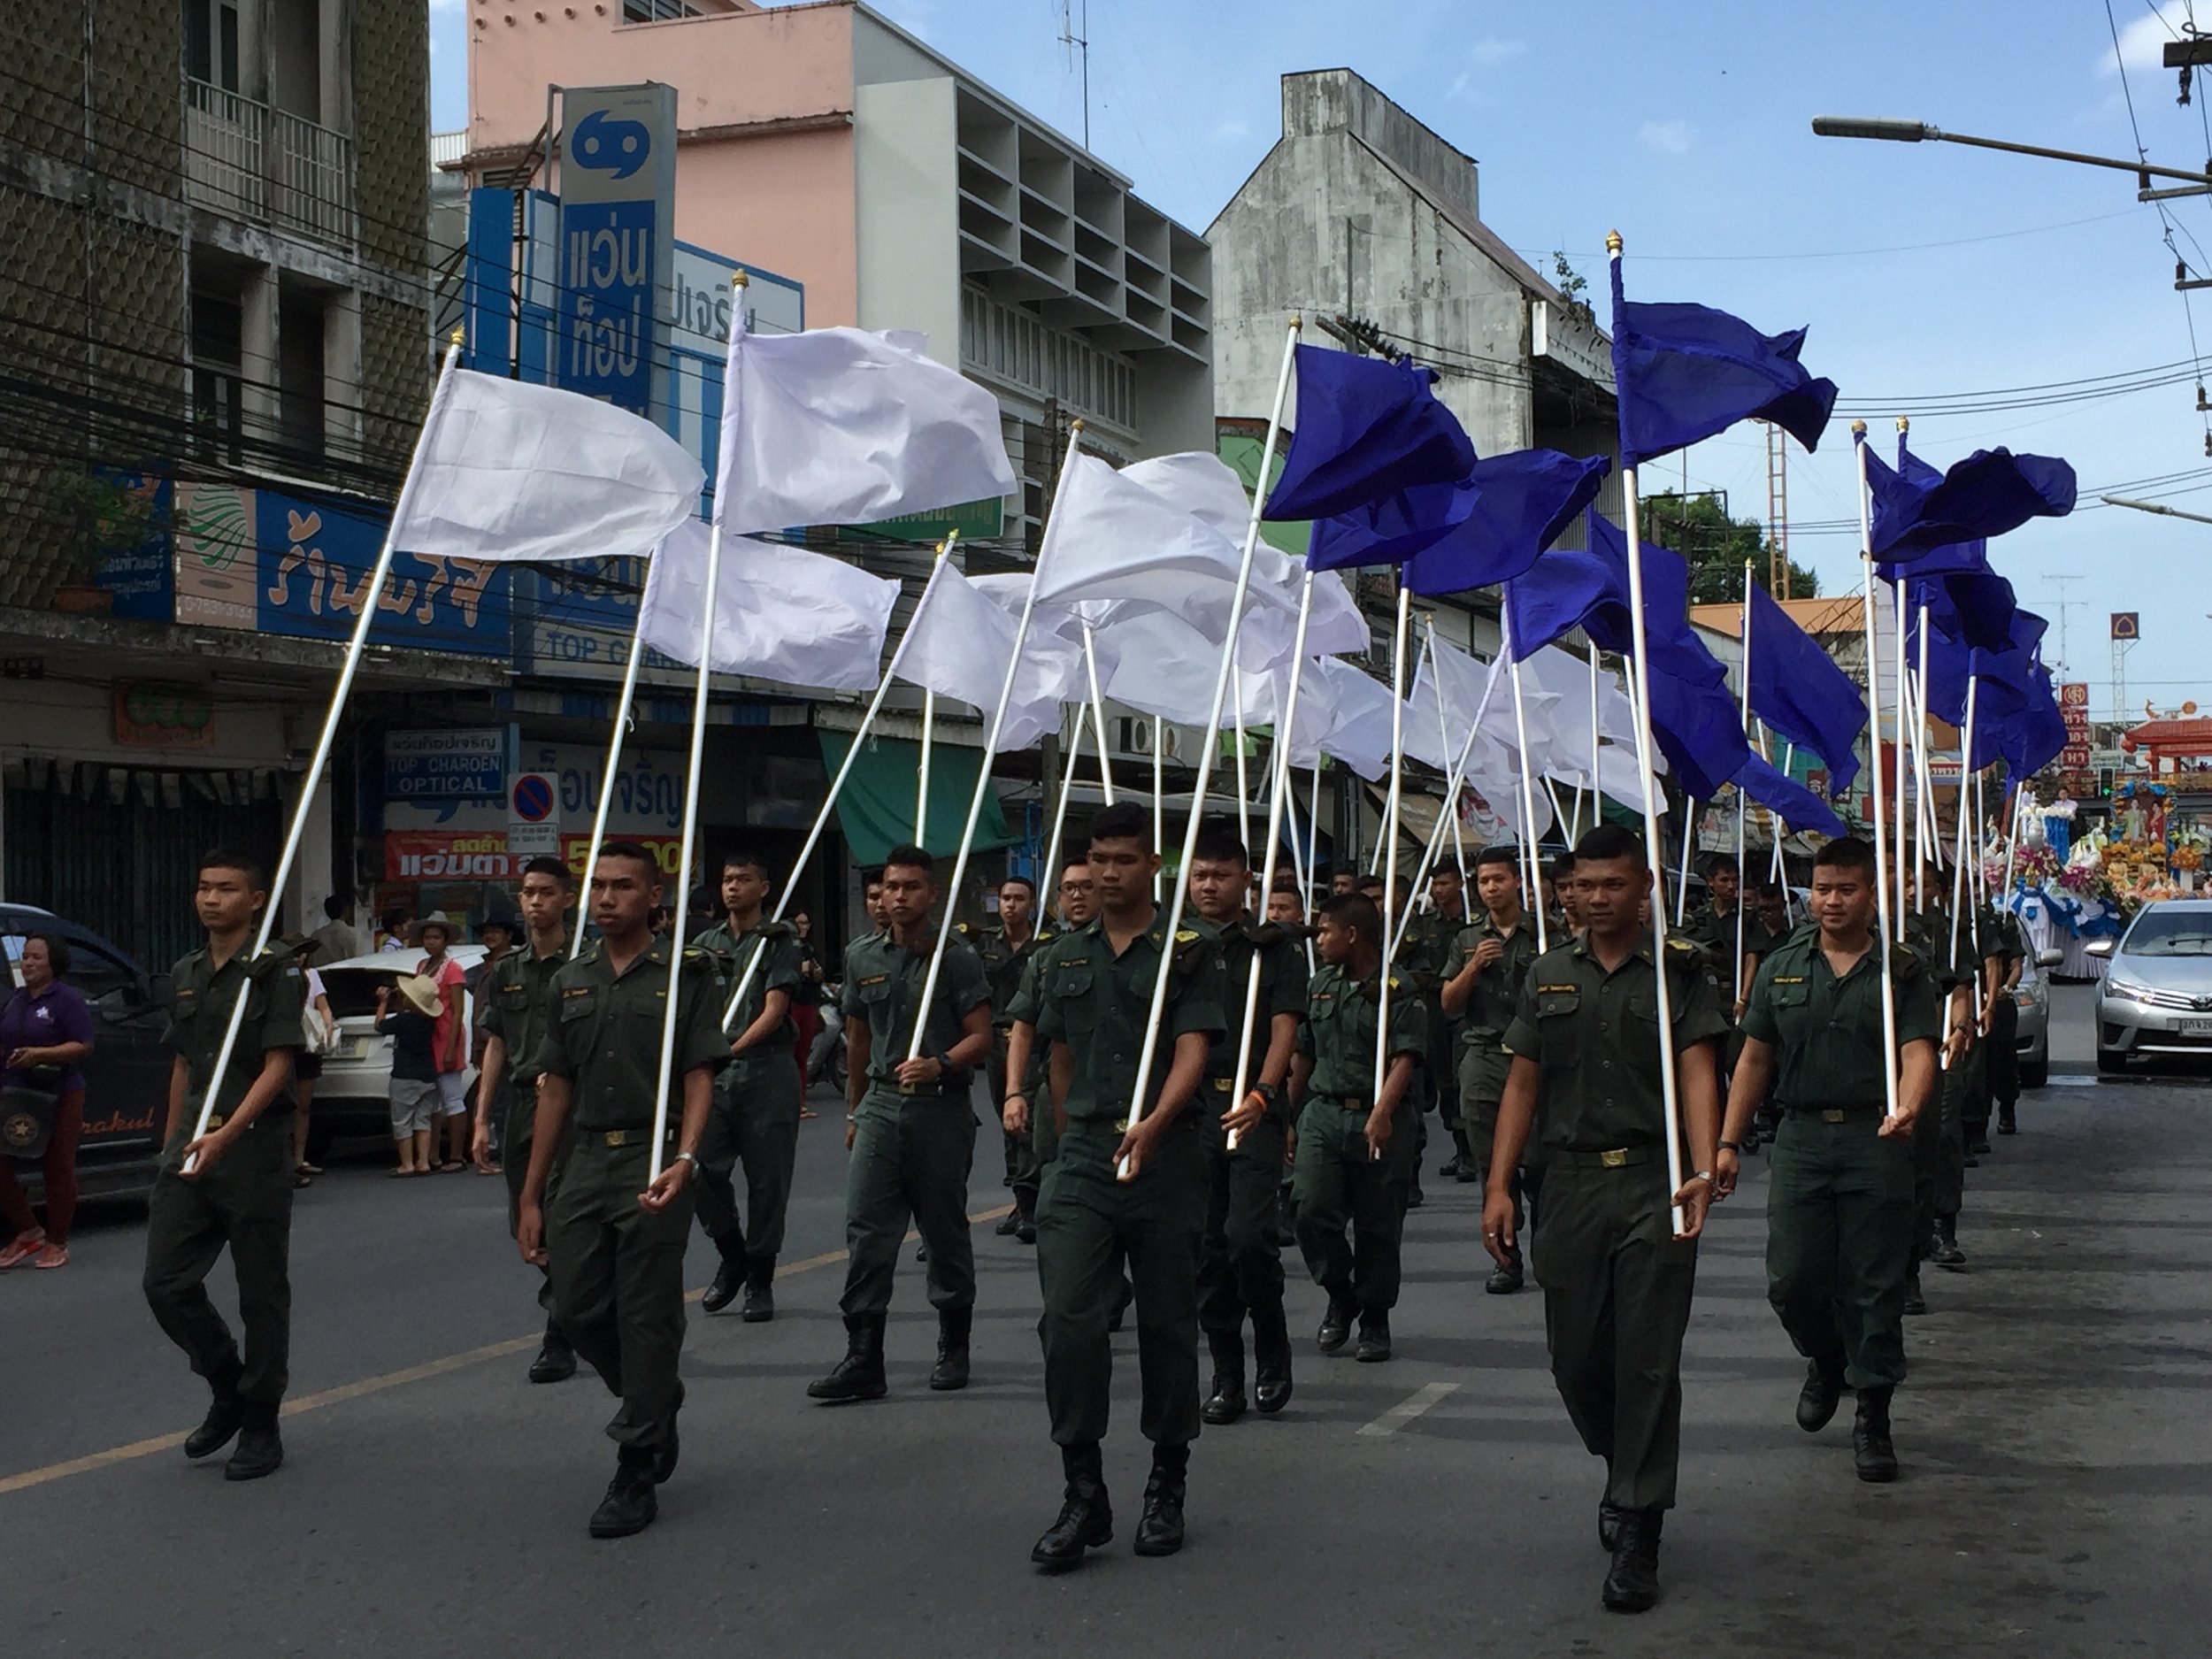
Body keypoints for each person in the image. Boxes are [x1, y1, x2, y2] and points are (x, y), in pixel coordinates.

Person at [1486, 824, 1727, 1613]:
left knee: (1648, 1358)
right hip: (1571, 1185)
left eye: (1613, 885)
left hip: (1654, 1183)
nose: (1597, 898)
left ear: (1645, 887)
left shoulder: (1677, 973)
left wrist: (1699, 1167)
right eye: (1584, 886)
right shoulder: (1548, 973)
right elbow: (1521, 1083)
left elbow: (1698, 1068)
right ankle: (1622, 1462)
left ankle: (1638, 1525)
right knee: (1576, 1356)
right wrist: (1497, 1188)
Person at [1025, 803, 1225, 1568]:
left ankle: (1165, 1484)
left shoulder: (1187, 950)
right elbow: (1060, 1056)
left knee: (1169, 1323)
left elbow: (1192, 1048)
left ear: (1152, 867)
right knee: (1069, 1319)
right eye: (1098, 859)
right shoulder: (1063, 955)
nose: (1108, 873)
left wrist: (1154, 1120)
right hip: (1084, 1157)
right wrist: (1074, 1133)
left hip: (1165, 1156)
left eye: (1123, 860)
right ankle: (1084, 1492)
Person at [518, 841, 726, 1539]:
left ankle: (635, 1463)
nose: (607, 898)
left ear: (653, 896)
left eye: (623, 886)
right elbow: (555, 1087)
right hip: (584, 1157)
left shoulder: (686, 975)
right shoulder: (568, 980)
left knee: (646, 1312)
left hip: (654, 1153)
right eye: (599, 886)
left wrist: (688, 1156)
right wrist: (532, 1191)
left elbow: (700, 1072)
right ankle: (654, 1395)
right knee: (573, 1306)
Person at [1718, 836, 1940, 1487]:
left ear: (1871, 894)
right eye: (1822, 889)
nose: (1831, 901)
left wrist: (1909, 1107)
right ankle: (1825, 1355)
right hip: (1803, 1137)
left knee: (1875, 1282)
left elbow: (1919, 1051)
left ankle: (1874, 1414)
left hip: (1878, 1136)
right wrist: (1727, 1145)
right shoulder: (1786, 964)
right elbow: (1754, 1058)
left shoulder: (1901, 970)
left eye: (1845, 889)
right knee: (1792, 1278)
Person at [142, 848, 306, 1480]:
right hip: (192, 1148)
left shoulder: (273, 972)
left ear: (255, 900)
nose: (212, 899)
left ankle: (261, 1420)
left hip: (252, 1151)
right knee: (165, 1281)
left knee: (261, 1292)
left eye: (227, 889)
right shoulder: (186, 970)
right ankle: (227, 1382)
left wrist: (229, 1132)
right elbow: (184, 1064)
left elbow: (279, 1063)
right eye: (205, 887)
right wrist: (171, 1140)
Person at [809, 843, 993, 1402]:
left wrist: (940, 1061)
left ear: (931, 894)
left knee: (943, 1230)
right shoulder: (863, 957)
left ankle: (953, 1344)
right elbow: (858, 1042)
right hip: (883, 1108)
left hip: (939, 1105)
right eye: (891, 887)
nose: (899, 897)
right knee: (866, 1230)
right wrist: (855, 1110)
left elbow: (983, 1035)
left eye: (911, 887)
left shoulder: (955, 957)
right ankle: (864, 1357)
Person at [1184, 821, 1305, 1425]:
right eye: (1199, 874)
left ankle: (1273, 1343)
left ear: (1245, 879)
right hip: (1192, 1108)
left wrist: (1263, 1092)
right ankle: (1226, 1371)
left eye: (1220, 874)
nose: (1208, 885)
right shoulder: (1173, 946)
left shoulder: (1272, 948)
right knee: (1207, 1247)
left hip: (1252, 1107)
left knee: (1250, 1237)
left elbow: (1285, 1028)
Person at [1287, 891, 1425, 1364]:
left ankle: (1374, 1315)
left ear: (1351, 935)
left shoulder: (1396, 988)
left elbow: (1405, 1056)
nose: (1319, 939)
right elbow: (1304, 1052)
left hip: (1378, 1114)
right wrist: (1287, 1115)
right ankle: (1339, 1289)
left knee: (1378, 1222)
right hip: (1324, 1112)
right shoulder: (1319, 985)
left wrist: (1383, 1110)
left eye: (1325, 931)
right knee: (1308, 1207)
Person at [472, 856, 577, 1382]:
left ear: (566, 899)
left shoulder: (586, 963)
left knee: (560, 1216)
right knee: (528, 1226)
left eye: (545, 893)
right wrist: (480, 1115)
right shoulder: (506, 972)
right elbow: (495, 1043)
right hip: (520, 1108)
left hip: (573, 1108)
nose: (535, 901)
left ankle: (559, 1332)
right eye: (527, 892)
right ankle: (574, 1306)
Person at [694, 850, 805, 1323]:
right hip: (713, 1077)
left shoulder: (779, 941)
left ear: (764, 888)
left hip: (765, 1070)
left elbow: (775, 1008)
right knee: (698, 1168)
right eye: (726, 879)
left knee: (767, 1182)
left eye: (743, 879)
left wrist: (732, 1049)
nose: (732, 887)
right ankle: (732, 1253)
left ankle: (760, 1278)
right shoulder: (702, 944)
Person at [1440, 845, 1541, 1293]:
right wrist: (1473, 966)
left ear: (1518, 881)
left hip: (1534, 1057)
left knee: (1541, 1162)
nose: (1491, 888)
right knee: (1493, 1165)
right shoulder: (1465, 939)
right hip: (1482, 1056)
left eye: (1499, 879)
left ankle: (1553, 1248)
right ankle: (1506, 1256)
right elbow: (1447, 1003)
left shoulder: (1545, 934)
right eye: (1483, 881)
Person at [1005, 858, 1099, 1243]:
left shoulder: (1130, 948)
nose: (1076, 895)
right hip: (1057, 1091)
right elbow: (1023, 1029)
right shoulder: (1046, 957)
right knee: (1056, 1189)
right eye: (1068, 888)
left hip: (1115, 1092)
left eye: (1085, 886)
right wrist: (1014, 1092)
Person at [0, 933, 96, 1269]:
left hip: (60, 1093)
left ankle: (56, 1242)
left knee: (56, 1166)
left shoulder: (66, 999)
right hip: (17, 1094)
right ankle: (28, 1232)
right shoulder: (16, 1000)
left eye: (37, 958)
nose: (28, 963)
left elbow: (83, 1045)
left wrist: (41, 1054)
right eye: (25, 957)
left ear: (53, 963)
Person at [965, 876, 1053, 1240]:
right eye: (1005, 898)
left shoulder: (1047, 945)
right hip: (996, 1044)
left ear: (1031, 905)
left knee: (1026, 1118)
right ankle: (1019, 1197)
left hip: (1031, 1042)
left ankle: (1032, 1204)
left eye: (1018, 899)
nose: (1010, 905)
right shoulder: (983, 943)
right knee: (1007, 1119)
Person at [411, 914, 470, 1172]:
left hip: (447, 1034)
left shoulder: (453, 968)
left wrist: (451, 1047)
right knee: (431, 1100)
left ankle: (456, 1156)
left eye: (435, 937)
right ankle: (432, 1155)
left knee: (452, 1098)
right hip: (426, 1036)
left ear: (445, 941)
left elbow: (457, 1010)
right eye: (427, 937)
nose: (430, 942)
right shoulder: (422, 966)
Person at [377, 975, 442, 1176]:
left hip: (405, 1076)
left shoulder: (403, 1020)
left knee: (402, 1120)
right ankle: (423, 1162)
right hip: (428, 1076)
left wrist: (383, 1003)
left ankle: (407, 1164)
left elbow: (380, 1025)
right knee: (423, 1120)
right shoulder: (429, 1021)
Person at [282, 937, 334, 1187]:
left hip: (307, 1046)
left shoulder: (312, 975)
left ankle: (299, 1159)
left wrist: (328, 1025)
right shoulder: (278, 975)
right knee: (284, 1106)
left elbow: (323, 1006)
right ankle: (284, 1162)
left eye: (303, 953)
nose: (300, 957)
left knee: (302, 1106)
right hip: (284, 1045)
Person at [788, 910, 827, 1102]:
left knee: (803, 1054)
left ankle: (801, 1100)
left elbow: (816, 975)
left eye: (806, 923)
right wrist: (798, 971)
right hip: (794, 1003)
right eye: (799, 923)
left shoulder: (809, 949)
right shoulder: (788, 948)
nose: (803, 927)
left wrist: (817, 975)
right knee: (791, 1053)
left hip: (809, 1002)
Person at [309, 894, 362, 967]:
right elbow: (359, 961)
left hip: (323, 976)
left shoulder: (316, 936)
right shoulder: (354, 934)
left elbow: (311, 963)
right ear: (346, 910)